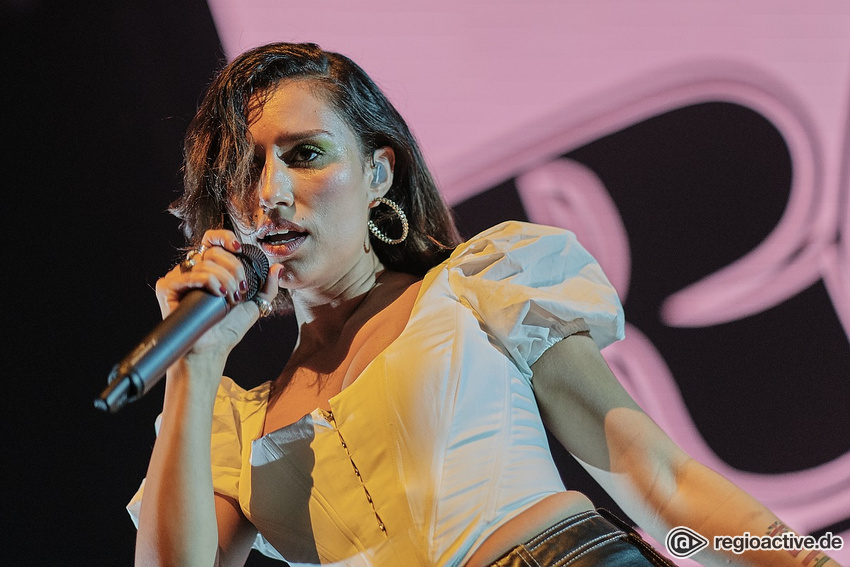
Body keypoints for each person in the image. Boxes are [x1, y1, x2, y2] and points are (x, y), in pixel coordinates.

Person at [127, 42, 840, 567]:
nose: (270, 192)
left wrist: (800, 561)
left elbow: (661, 480)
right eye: (244, 170)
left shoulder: (478, 286)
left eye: (305, 154)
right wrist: (195, 364)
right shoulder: (234, 426)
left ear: (378, 173)